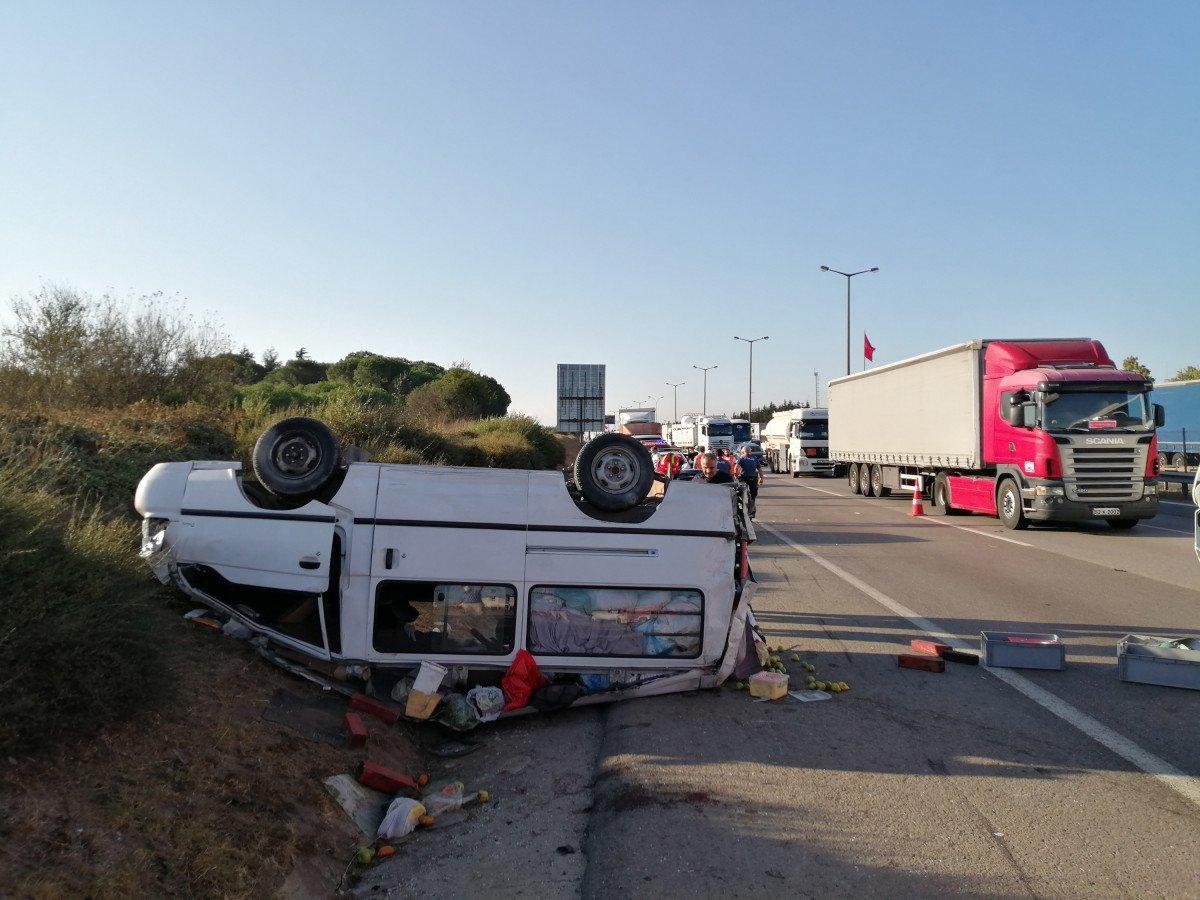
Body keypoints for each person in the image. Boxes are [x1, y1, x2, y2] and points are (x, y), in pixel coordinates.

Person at [736, 444, 763, 512]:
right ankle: (752, 505)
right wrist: (761, 478)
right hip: (753, 477)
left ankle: (741, 503)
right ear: (750, 451)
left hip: (743, 477)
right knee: (753, 492)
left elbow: (736, 468)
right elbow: (759, 469)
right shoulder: (754, 458)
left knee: (740, 491)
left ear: (743, 451)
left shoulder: (741, 458)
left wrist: (736, 475)